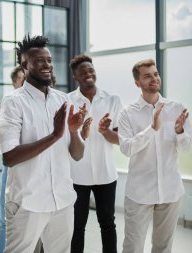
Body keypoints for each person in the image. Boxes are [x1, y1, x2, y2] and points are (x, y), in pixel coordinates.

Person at [0, 34, 86, 253]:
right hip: (28, 203)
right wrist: (55, 135)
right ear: (24, 65)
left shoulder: (63, 100)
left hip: (62, 200)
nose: (46, 65)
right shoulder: (13, 102)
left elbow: (77, 154)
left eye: (48, 60)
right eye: (39, 60)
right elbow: (9, 157)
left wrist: (74, 133)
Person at [118, 59, 191, 253]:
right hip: (139, 192)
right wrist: (152, 129)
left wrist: (180, 132)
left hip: (170, 191)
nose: (154, 79)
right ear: (137, 83)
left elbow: (186, 148)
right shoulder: (127, 114)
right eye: (147, 76)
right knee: (132, 247)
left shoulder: (177, 108)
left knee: (163, 247)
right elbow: (126, 149)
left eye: (156, 74)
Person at [68, 55, 122, 253]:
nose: (88, 74)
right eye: (83, 73)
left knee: (108, 223)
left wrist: (105, 131)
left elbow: (118, 138)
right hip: (77, 175)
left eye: (91, 70)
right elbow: (66, 140)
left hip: (106, 174)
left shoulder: (113, 100)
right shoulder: (68, 101)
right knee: (77, 225)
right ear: (75, 77)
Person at [0, 66, 25, 253]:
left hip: (32, 169)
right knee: (5, 219)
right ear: (14, 82)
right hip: (11, 167)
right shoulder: (8, 103)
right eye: (22, 79)